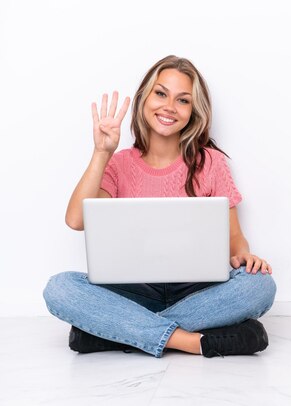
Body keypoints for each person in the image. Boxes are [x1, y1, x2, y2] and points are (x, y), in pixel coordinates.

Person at [43, 55, 277, 358]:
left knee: (260, 285)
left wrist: (244, 255)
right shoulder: (119, 164)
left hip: (198, 291)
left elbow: (234, 238)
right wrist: (102, 152)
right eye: (161, 93)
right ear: (145, 98)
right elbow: (76, 220)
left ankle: (116, 334)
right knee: (60, 288)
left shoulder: (211, 162)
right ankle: (190, 341)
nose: (169, 107)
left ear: (193, 112)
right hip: (135, 292)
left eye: (183, 100)